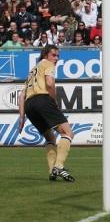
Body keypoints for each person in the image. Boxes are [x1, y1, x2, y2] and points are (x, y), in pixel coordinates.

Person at [18, 45, 75, 182]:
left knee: (50, 138)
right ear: (45, 55)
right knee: (67, 133)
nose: (56, 58)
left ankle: (52, 171)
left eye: (58, 56)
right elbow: (49, 84)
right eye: (54, 55)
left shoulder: (32, 71)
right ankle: (59, 166)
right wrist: (53, 100)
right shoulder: (48, 64)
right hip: (42, 100)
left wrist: (22, 116)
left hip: (29, 106)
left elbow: (22, 95)